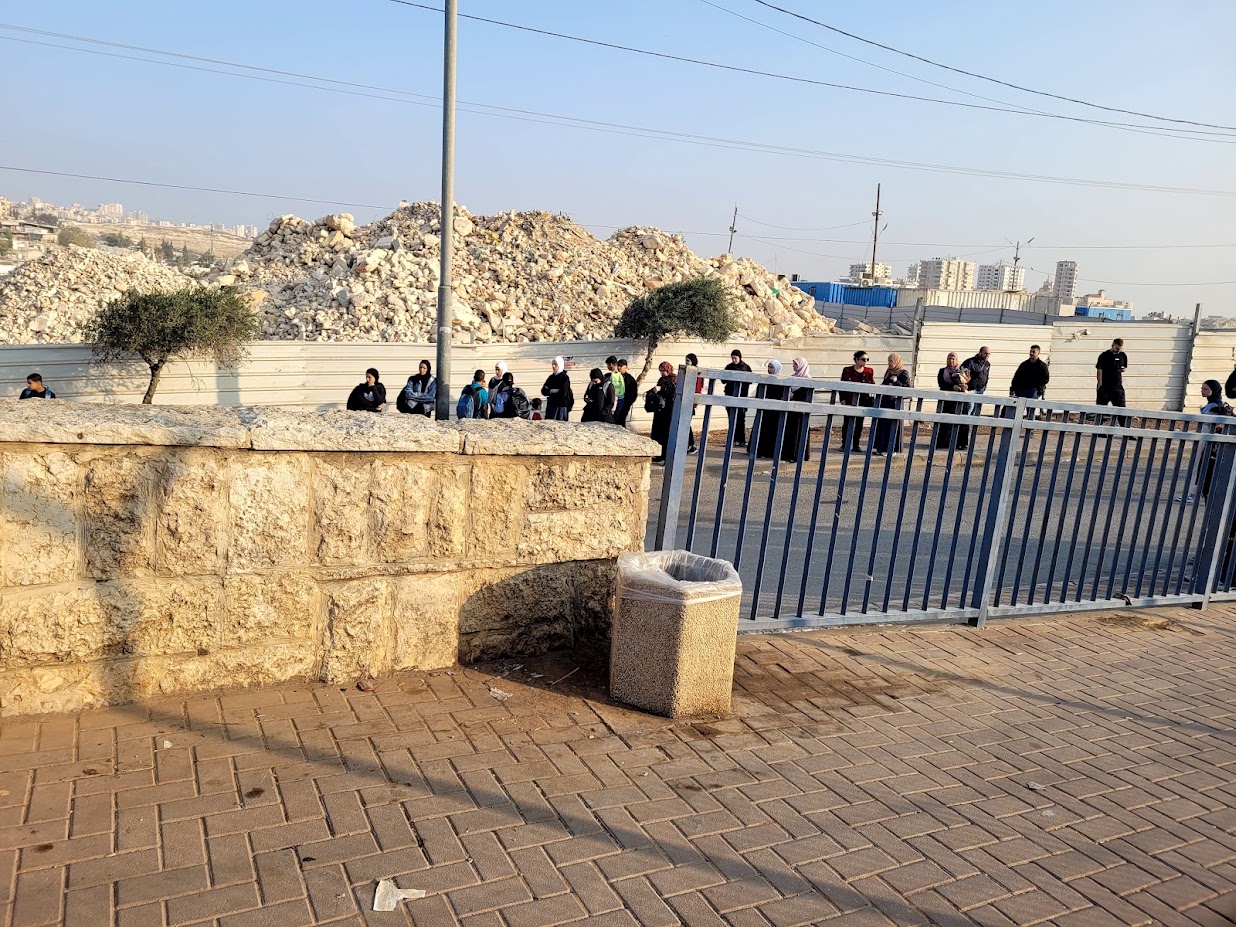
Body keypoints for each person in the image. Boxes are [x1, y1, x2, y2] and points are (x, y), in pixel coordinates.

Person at [1192, 379, 1232, 502]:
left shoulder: (1216, 405)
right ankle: (1195, 492)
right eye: (1202, 388)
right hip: (1203, 438)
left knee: (1202, 467)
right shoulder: (1211, 404)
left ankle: (1196, 493)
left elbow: (1221, 424)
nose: (1202, 391)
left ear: (1213, 390)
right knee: (1198, 466)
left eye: (1206, 389)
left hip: (1209, 440)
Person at [872, 354, 911, 455]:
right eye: (888, 361)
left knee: (892, 425)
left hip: (895, 403)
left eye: (891, 361)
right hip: (885, 402)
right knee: (882, 425)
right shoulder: (888, 372)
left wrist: (896, 381)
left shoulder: (903, 373)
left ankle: (891, 449)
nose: (889, 363)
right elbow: (884, 384)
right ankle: (880, 447)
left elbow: (907, 387)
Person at [752, 360, 790, 460]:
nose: (769, 370)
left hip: (775, 413)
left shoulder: (781, 382)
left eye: (771, 367)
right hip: (765, 412)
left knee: (773, 432)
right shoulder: (765, 380)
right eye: (768, 367)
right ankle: (760, 451)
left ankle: (771, 452)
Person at [838, 350, 874, 452]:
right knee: (847, 423)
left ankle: (856, 445)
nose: (865, 361)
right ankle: (845, 444)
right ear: (857, 360)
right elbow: (842, 385)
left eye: (867, 359)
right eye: (863, 359)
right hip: (849, 400)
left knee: (859, 424)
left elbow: (872, 385)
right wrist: (843, 399)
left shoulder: (869, 371)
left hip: (862, 401)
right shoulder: (847, 370)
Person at [781, 357, 814, 462]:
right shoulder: (792, 378)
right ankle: (789, 454)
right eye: (793, 364)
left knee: (800, 432)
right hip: (791, 410)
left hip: (801, 412)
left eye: (795, 364)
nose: (793, 366)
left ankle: (799, 455)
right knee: (791, 432)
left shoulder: (807, 379)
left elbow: (806, 396)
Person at [936, 353, 970, 451]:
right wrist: (952, 387)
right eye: (949, 359)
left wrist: (965, 386)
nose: (951, 361)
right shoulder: (942, 371)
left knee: (962, 421)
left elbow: (969, 383)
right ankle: (943, 442)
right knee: (945, 420)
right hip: (947, 400)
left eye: (953, 359)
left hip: (960, 401)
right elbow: (941, 384)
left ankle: (961, 443)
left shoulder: (963, 370)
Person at [723, 349, 752, 448]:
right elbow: (723, 380)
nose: (733, 360)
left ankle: (741, 440)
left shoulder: (746, 367)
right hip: (730, 395)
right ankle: (732, 439)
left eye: (735, 358)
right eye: (732, 358)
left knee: (740, 418)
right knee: (731, 418)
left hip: (742, 396)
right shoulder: (729, 367)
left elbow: (750, 381)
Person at [1096, 338, 1129, 425]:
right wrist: (1100, 385)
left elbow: (1123, 367)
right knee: (1101, 409)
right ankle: (1099, 429)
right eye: (1117, 348)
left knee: (1121, 408)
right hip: (1105, 387)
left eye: (1120, 348)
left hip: (1117, 387)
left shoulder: (1123, 355)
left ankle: (1124, 427)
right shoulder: (1104, 355)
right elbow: (1099, 370)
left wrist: (1121, 369)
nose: (1119, 350)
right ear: (1113, 345)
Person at [650, 361, 677, 463]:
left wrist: (662, 388)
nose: (662, 373)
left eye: (663, 371)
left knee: (666, 433)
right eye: (660, 371)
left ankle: (666, 456)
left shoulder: (674, 378)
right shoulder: (661, 379)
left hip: (668, 409)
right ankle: (659, 455)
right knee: (658, 432)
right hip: (660, 409)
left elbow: (672, 392)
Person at [961, 346, 991, 415]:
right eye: (985, 353)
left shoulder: (987, 364)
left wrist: (985, 386)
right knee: (970, 408)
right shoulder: (970, 362)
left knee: (977, 409)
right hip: (971, 389)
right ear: (980, 353)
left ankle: (974, 425)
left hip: (981, 389)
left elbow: (987, 376)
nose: (987, 355)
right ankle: (966, 424)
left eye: (989, 354)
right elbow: (963, 374)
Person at [541, 356, 572, 421]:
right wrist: (552, 391)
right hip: (551, 405)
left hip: (561, 406)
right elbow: (543, 391)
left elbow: (563, 393)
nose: (553, 366)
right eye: (552, 364)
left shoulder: (564, 378)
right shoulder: (551, 377)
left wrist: (551, 392)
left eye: (555, 364)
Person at [684, 353, 704, 454]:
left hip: (690, 402)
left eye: (688, 361)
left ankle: (690, 445)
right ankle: (687, 444)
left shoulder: (697, 373)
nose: (686, 363)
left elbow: (697, 389)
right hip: (684, 401)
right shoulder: (686, 371)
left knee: (686, 424)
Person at [616, 359, 638, 428]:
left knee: (621, 420)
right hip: (615, 403)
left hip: (624, 404)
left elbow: (633, 394)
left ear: (626, 367)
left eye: (621, 366)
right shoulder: (614, 376)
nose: (619, 367)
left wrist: (627, 404)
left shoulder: (630, 379)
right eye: (618, 365)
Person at [605, 355, 626, 424]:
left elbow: (612, 388)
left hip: (614, 399)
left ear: (611, 364)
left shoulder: (612, 375)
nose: (607, 367)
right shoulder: (620, 375)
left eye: (607, 365)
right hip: (621, 398)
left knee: (613, 417)